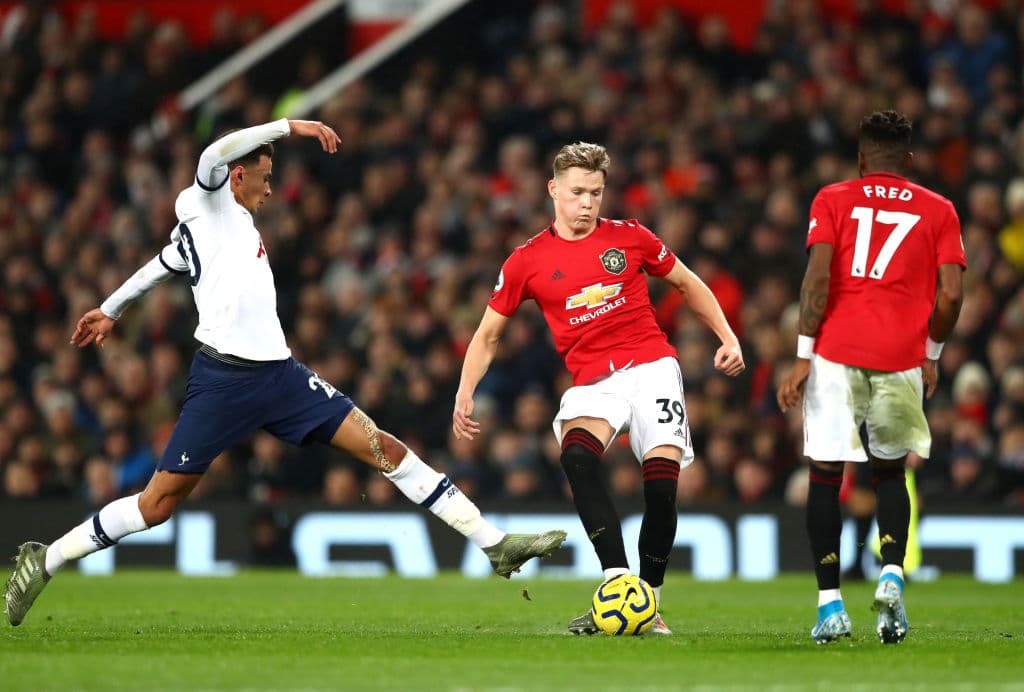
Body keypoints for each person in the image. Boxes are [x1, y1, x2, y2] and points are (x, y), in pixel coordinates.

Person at [4, 119, 566, 627]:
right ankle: (45, 559)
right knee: (157, 506)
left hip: (283, 379)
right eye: (265, 175)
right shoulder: (210, 201)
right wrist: (292, 125)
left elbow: (162, 264)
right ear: (238, 174)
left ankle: (495, 545)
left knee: (384, 448)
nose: (272, 188)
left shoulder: (226, 225)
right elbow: (214, 150)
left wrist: (112, 308)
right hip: (221, 383)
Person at [452, 142, 745, 635]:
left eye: (596, 193)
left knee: (662, 492)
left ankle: (647, 603)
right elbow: (488, 334)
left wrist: (727, 335)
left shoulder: (631, 237)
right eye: (577, 192)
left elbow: (688, 283)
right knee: (577, 457)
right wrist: (465, 391)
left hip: (652, 365)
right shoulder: (527, 261)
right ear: (553, 190)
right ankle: (616, 582)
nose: (587, 203)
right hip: (593, 379)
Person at [777, 110, 965, 645]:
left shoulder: (832, 198)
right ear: (908, 160)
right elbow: (951, 295)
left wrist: (803, 354)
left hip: (835, 352)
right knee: (889, 475)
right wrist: (930, 351)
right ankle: (890, 573)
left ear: (862, 159)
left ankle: (830, 605)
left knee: (825, 477)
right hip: (900, 356)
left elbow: (817, 276)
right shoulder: (939, 209)